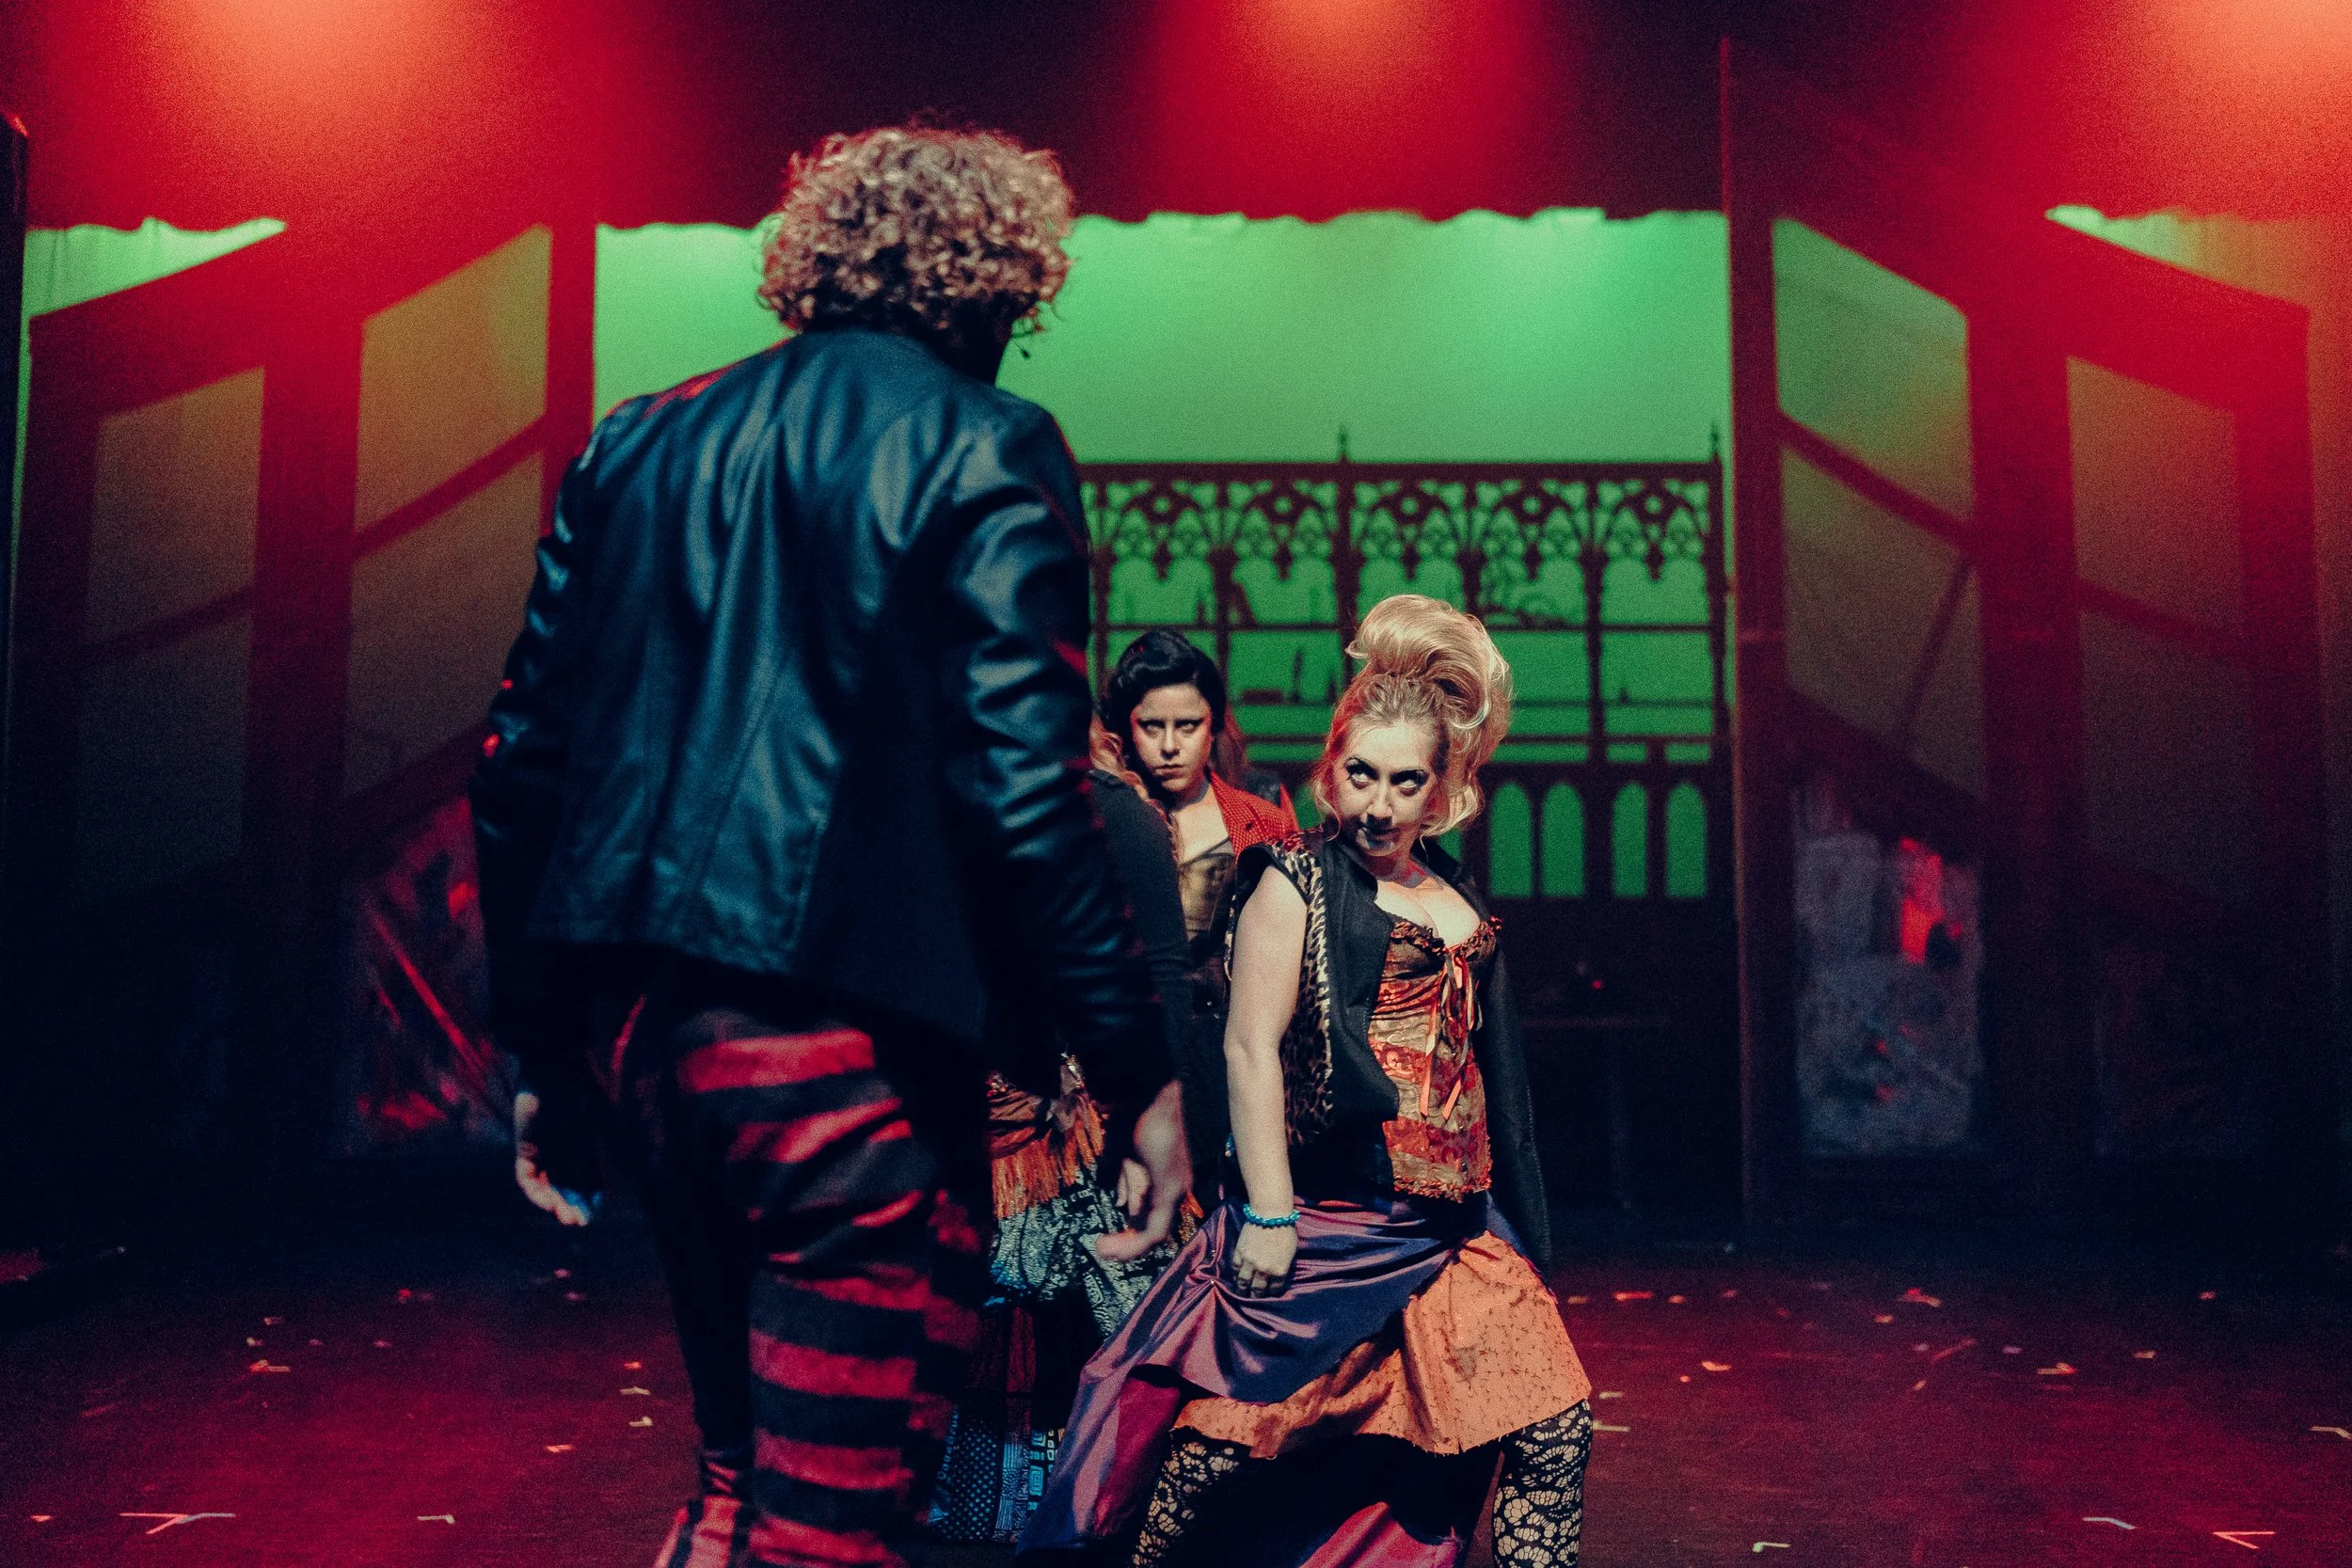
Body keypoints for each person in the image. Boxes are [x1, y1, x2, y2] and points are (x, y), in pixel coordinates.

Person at [470, 124, 1190, 1568]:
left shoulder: (642, 434)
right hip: (837, 1060)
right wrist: (1137, 1073)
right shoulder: (987, 445)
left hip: (651, 1041)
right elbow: (1027, 791)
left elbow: (521, 765)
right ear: (1003, 287)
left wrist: (546, 1050)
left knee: (737, 1479)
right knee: (831, 1520)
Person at [1025, 594, 1594, 1568]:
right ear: (1329, 771)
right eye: (1359, 774)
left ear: (1441, 786)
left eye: (1403, 781)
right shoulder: (1296, 880)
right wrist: (1272, 1214)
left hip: (1455, 1231)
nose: (1376, 801)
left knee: (1553, 1427)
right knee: (1223, 1449)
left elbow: (1499, 1082)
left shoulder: (1455, 892)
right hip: (1335, 1220)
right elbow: (1250, 1045)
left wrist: (1524, 1233)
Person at [932, 719, 1197, 1543]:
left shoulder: (1111, 814)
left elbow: (1157, 976)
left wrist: (1139, 1109)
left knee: (1111, 1322)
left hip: (1075, 1117)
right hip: (950, 1113)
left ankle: (1097, 1508)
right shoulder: (912, 808)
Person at [1099, 631, 1298, 1191]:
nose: (1169, 745)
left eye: (1187, 726)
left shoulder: (1262, 820)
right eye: (1151, 726)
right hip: (1129, 1060)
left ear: (1213, 726)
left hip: (1229, 1056)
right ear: (1125, 728)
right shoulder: (1106, 818)